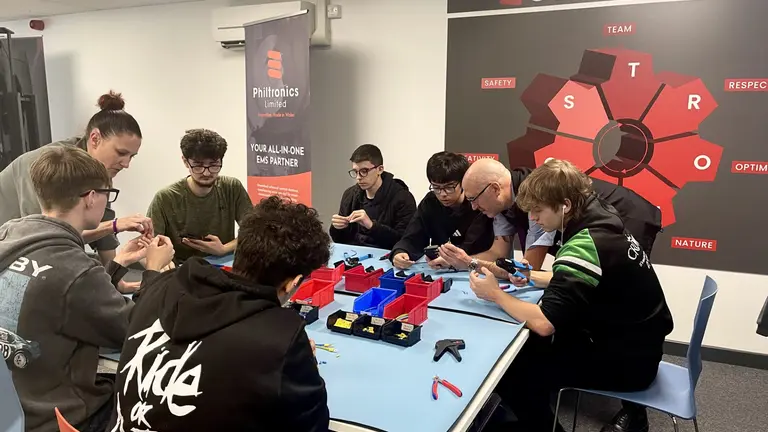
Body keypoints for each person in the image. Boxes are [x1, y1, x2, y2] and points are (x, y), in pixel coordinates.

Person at [469, 159, 673, 432]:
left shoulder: (583, 246)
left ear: (564, 205)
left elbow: (544, 321)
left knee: (511, 372)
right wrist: (527, 276)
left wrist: (496, 294)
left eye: (538, 211)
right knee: (530, 347)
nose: (533, 219)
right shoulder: (601, 215)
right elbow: (575, 279)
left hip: (628, 364)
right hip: (639, 345)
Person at [109, 196, 331, 431]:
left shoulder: (158, 287)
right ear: (292, 283)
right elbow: (312, 424)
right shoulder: (281, 337)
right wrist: (308, 363)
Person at [0, 146, 175, 432]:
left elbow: (67, 298)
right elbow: (138, 331)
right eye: (108, 195)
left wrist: (116, 264)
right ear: (92, 197)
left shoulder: (11, 237)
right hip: (57, 417)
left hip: (14, 404)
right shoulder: (75, 270)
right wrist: (154, 271)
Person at [0, 91, 153, 293]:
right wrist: (114, 226)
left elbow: (102, 231)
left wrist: (116, 280)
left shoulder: (96, 170)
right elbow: (47, 237)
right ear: (95, 138)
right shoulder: (47, 164)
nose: (126, 164)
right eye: (121, 153)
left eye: (132, 156)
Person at [146, 129, 253, 263]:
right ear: (185, 162)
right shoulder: (166, 198)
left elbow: (254, 232)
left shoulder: (232, 187)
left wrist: (223, 249)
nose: (206, 173)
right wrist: (163, 265)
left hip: (223, 264)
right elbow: (148, 246)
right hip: (182, 269)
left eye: (213, 165)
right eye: (198, 166)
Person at [435, 158, 555, 277]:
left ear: (495, 188)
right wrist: (455, 262)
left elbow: (525, 272)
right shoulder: (502, 203)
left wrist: (469, 263)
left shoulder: (536, 200)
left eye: (474, 199)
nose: (473, 207)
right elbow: (498, 253)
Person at [390, 152, 495, 269]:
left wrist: (451, 260)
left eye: (449, 187)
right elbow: (413, 236)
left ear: (463, 182)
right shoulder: (430, 202)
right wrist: (401, 251)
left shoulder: (478, 205)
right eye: (436, 187)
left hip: (478, 267)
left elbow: (474, 246)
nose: (442, 194)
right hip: (440, 269)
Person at [330, 144, 416, 249]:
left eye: (364, 171)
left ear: (380, 169)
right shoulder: (350, 195)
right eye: (355, 172)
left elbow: (405, 242)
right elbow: (341, 240)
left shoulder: (403, 198)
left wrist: (372, 226)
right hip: (355, 255)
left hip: (388, 257)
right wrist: (337, 227)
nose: (358, 178)